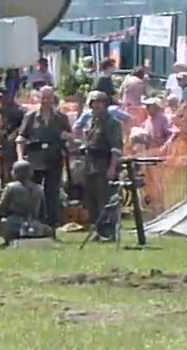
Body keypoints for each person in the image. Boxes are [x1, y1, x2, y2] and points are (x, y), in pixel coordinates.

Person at [16, 86, 71, 229]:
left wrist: (68, 137)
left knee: (52, 192)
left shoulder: (61, 118)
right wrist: (21, 158)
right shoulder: (31, 117)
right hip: (35, 159)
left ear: (54, 99)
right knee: (34, 192)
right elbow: (21, 138)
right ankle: (33, 222)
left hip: (54, 159)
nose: (46, 101)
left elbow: (71, 137)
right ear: (39, 99)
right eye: (43, 98)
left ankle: (51, 225)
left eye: (49, 98)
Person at [80, 91, 123, 241]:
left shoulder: (113, 123)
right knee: (91, 200)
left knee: (105, 200)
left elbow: (116, 149)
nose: (96, 106)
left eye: (99, 102)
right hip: (90, 164)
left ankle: (108, 232)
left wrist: (112, 168)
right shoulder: (92, 122)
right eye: (93, 103)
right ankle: (97, 231)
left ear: (105, 104)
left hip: (104, 164)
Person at [0, 160, 46, 243]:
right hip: (34, 224)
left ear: (16, 173)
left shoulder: (11, 187)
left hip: (14, 223)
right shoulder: (39, 188)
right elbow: (43, 212)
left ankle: (5, 239)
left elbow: (1, 208)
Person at [0, 88, 26, 187]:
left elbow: (22, 127)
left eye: (2, 97)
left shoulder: (18, 110)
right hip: (5, 142)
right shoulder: (3, 109)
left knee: (12, 169)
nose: (0, 99)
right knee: (4, 171)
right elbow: (3, 127)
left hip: (14, 143)